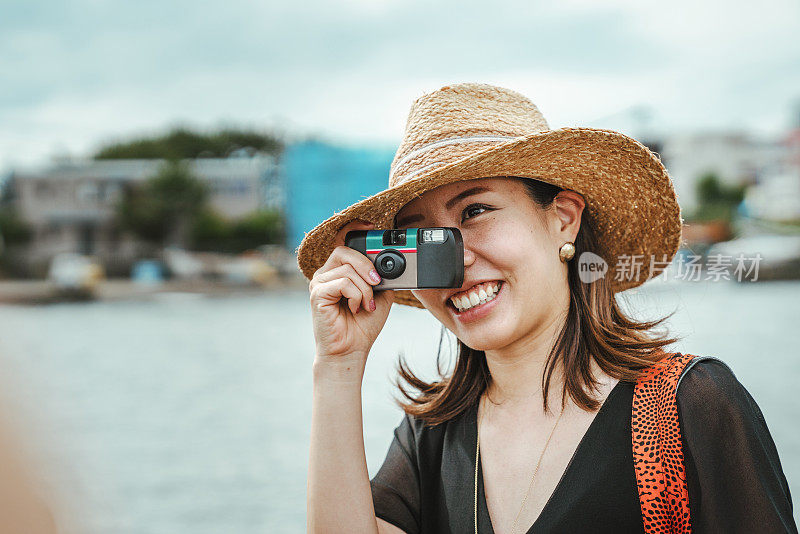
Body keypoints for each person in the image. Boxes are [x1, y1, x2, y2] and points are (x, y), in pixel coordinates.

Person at [298, 83, 797, 533]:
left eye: (475, 211)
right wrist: (338, 366)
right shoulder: (433, 435)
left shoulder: (689, 406)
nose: (456, 260)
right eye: (424, 239)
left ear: (563, 219)